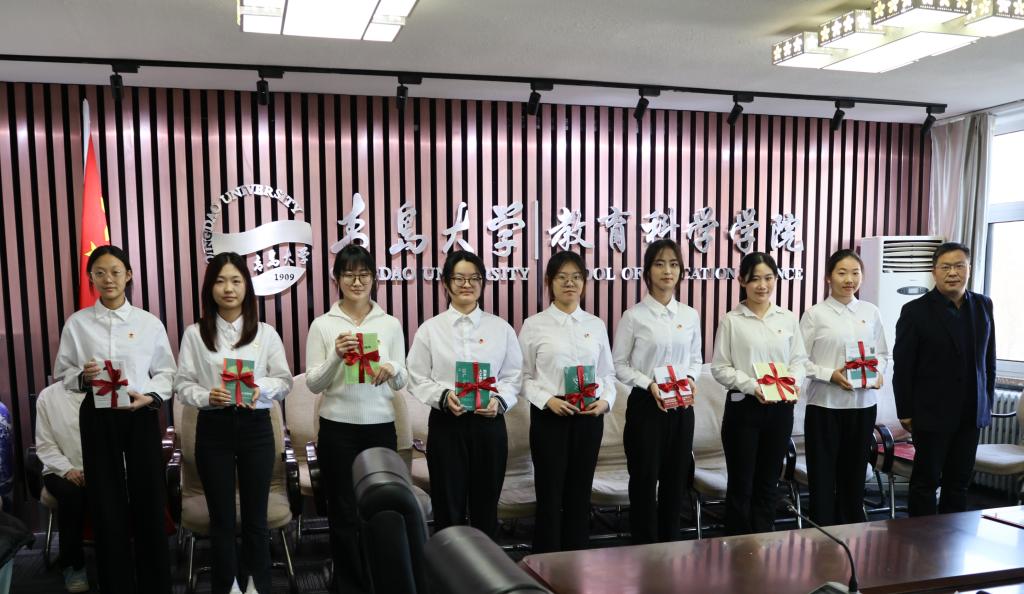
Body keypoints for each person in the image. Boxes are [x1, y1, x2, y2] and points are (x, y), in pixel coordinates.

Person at [52, 245, 176, 594]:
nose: (108, 279)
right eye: (100, 273)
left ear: (129, 275)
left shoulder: (148, 323)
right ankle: (116, 584)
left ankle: (155, 585)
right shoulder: (77, 324)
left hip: (140, 413)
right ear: (91, 278)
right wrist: (83, 376)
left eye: (116, 272)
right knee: (106, 501)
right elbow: (63, 373)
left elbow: (167, 372)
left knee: (149, 498)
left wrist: (150, 396)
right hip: (98, 415)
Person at [174, 252, 293, 594]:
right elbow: (182, 385)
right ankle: (227, 587)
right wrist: (206, 396)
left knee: (256, 518)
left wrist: (259, 387)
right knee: (222, 519)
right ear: (210, 288)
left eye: (236, 281)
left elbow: (284, 380)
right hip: (214, 429)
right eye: (220, 281)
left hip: (256, 427)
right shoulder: (195, 334)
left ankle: (257, 586)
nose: (228, 288)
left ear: (246, 287)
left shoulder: (265, 334)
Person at [305, 244, 407, 593]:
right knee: (343, 511)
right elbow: (313, 383)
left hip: (380, 427)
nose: (357, 281)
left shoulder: (389, 324)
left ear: (374, 279)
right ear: (337, 279)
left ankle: (381, 580)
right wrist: (336, 355)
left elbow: (403, 380)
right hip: (337, 430)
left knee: (381, 509)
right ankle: (349, 584)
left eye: (364, 274)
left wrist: (393, 368)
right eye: (349, 274)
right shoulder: (323, 325)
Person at [407, 250, 523, 537]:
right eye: (459, 278)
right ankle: (450, 562)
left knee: (487, 506)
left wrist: (500, 400)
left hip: (489, 424)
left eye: (474, 278)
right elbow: (416, 376)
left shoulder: (501, 329)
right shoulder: (430, 330)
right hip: (447, 425)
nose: (467, 284)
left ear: (482, 283)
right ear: (446, 283)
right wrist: (442, 396)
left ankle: (486, 563)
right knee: (448, 506)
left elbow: (514, 376)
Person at [518, 250, 617, 552]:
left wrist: (605, 401)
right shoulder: (534, 325)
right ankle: (545, 561)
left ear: (584, 282)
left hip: (589, 416)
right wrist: (547, 400)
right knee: (549, 494)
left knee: (580, 494)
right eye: (562, 277)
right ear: (549, 282)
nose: (569, 283)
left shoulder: (595, 324)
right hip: (551, 416)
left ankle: (578, 562)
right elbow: (521, 376)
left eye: (576, 277)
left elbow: (607, 373)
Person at [893, 242, 996, 516]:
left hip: (971, 412)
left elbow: (988, 360)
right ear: (934, 271)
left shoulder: (983, 305)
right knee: (926, 483)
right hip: (931, 412)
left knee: (959, 483)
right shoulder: (915, 311)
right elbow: (903, 366)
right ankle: (921, 538)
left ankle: (954, 537)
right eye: (946, 267)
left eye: (959, 266)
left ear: (969, 269)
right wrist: (905, 410)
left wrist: (987, 401)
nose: (953, 273)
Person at [711, 251, 808, 535]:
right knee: (741, 483)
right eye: (755, 279)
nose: (762, 285)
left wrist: (792, 381)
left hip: (780, 409)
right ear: (742, 281)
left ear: (776, 279)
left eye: (768, 278)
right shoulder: (731, 321)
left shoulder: (787, 319)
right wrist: (753, 386)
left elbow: (799, 360)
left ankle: (764, 543)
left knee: (769, 482)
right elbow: (720, 368)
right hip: (744, 409)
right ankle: (738, 545)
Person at [613, 239, 702, 544]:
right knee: (644, 479)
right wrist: (648, 383)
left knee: (676, 481)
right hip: (646, 406)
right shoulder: (633, 316)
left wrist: (691, 377)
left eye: (674, 264)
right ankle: (644, 547)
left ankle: (671, 548)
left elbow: (695, 359)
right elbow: (619, 365)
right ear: (648, 271)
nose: (667, 271)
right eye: (660, 264)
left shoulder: (689, 316)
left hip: (681, 405)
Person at [800, 248, 889, 526]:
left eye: (855, 273)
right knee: (823, 476)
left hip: (863, 406)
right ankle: (821, 532)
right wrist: (830, 375)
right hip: (825, 406)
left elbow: (883, 354)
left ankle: (852, 532)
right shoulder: (815, 315)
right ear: (829, 277)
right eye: (842, 273)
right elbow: (799, 361)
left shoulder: (870, 312)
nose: (849, 279)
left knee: (854, 474)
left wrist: (878, 372)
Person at [34, 382, 89, 592]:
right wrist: (67, 470)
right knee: (72, 494)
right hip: (58, 469)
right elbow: (45, 445)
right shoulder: (47, 396)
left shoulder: (107, 390)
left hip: (100, 467)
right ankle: (73, 565)